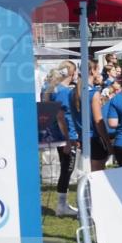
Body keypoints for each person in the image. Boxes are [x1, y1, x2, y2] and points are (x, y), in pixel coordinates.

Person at [45, 60, 79, 216]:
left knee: (66, 168)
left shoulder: (51, 89)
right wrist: (67, 139)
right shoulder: (64, 92)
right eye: (76, 71)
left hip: (57, 134)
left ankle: (62, 205)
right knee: (67, 169)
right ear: (71, 73)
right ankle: (61, 206)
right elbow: (61, 116)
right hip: (67, 135)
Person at [71, 59, 114, 172]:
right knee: (97, 175)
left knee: (86, 174)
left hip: (81, 138)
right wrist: (108, 143)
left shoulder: (72, 92)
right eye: (98, 70)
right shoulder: (93, 93)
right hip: (94, 138)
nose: (99, 73)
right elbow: (98, 120)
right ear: (92, 71)